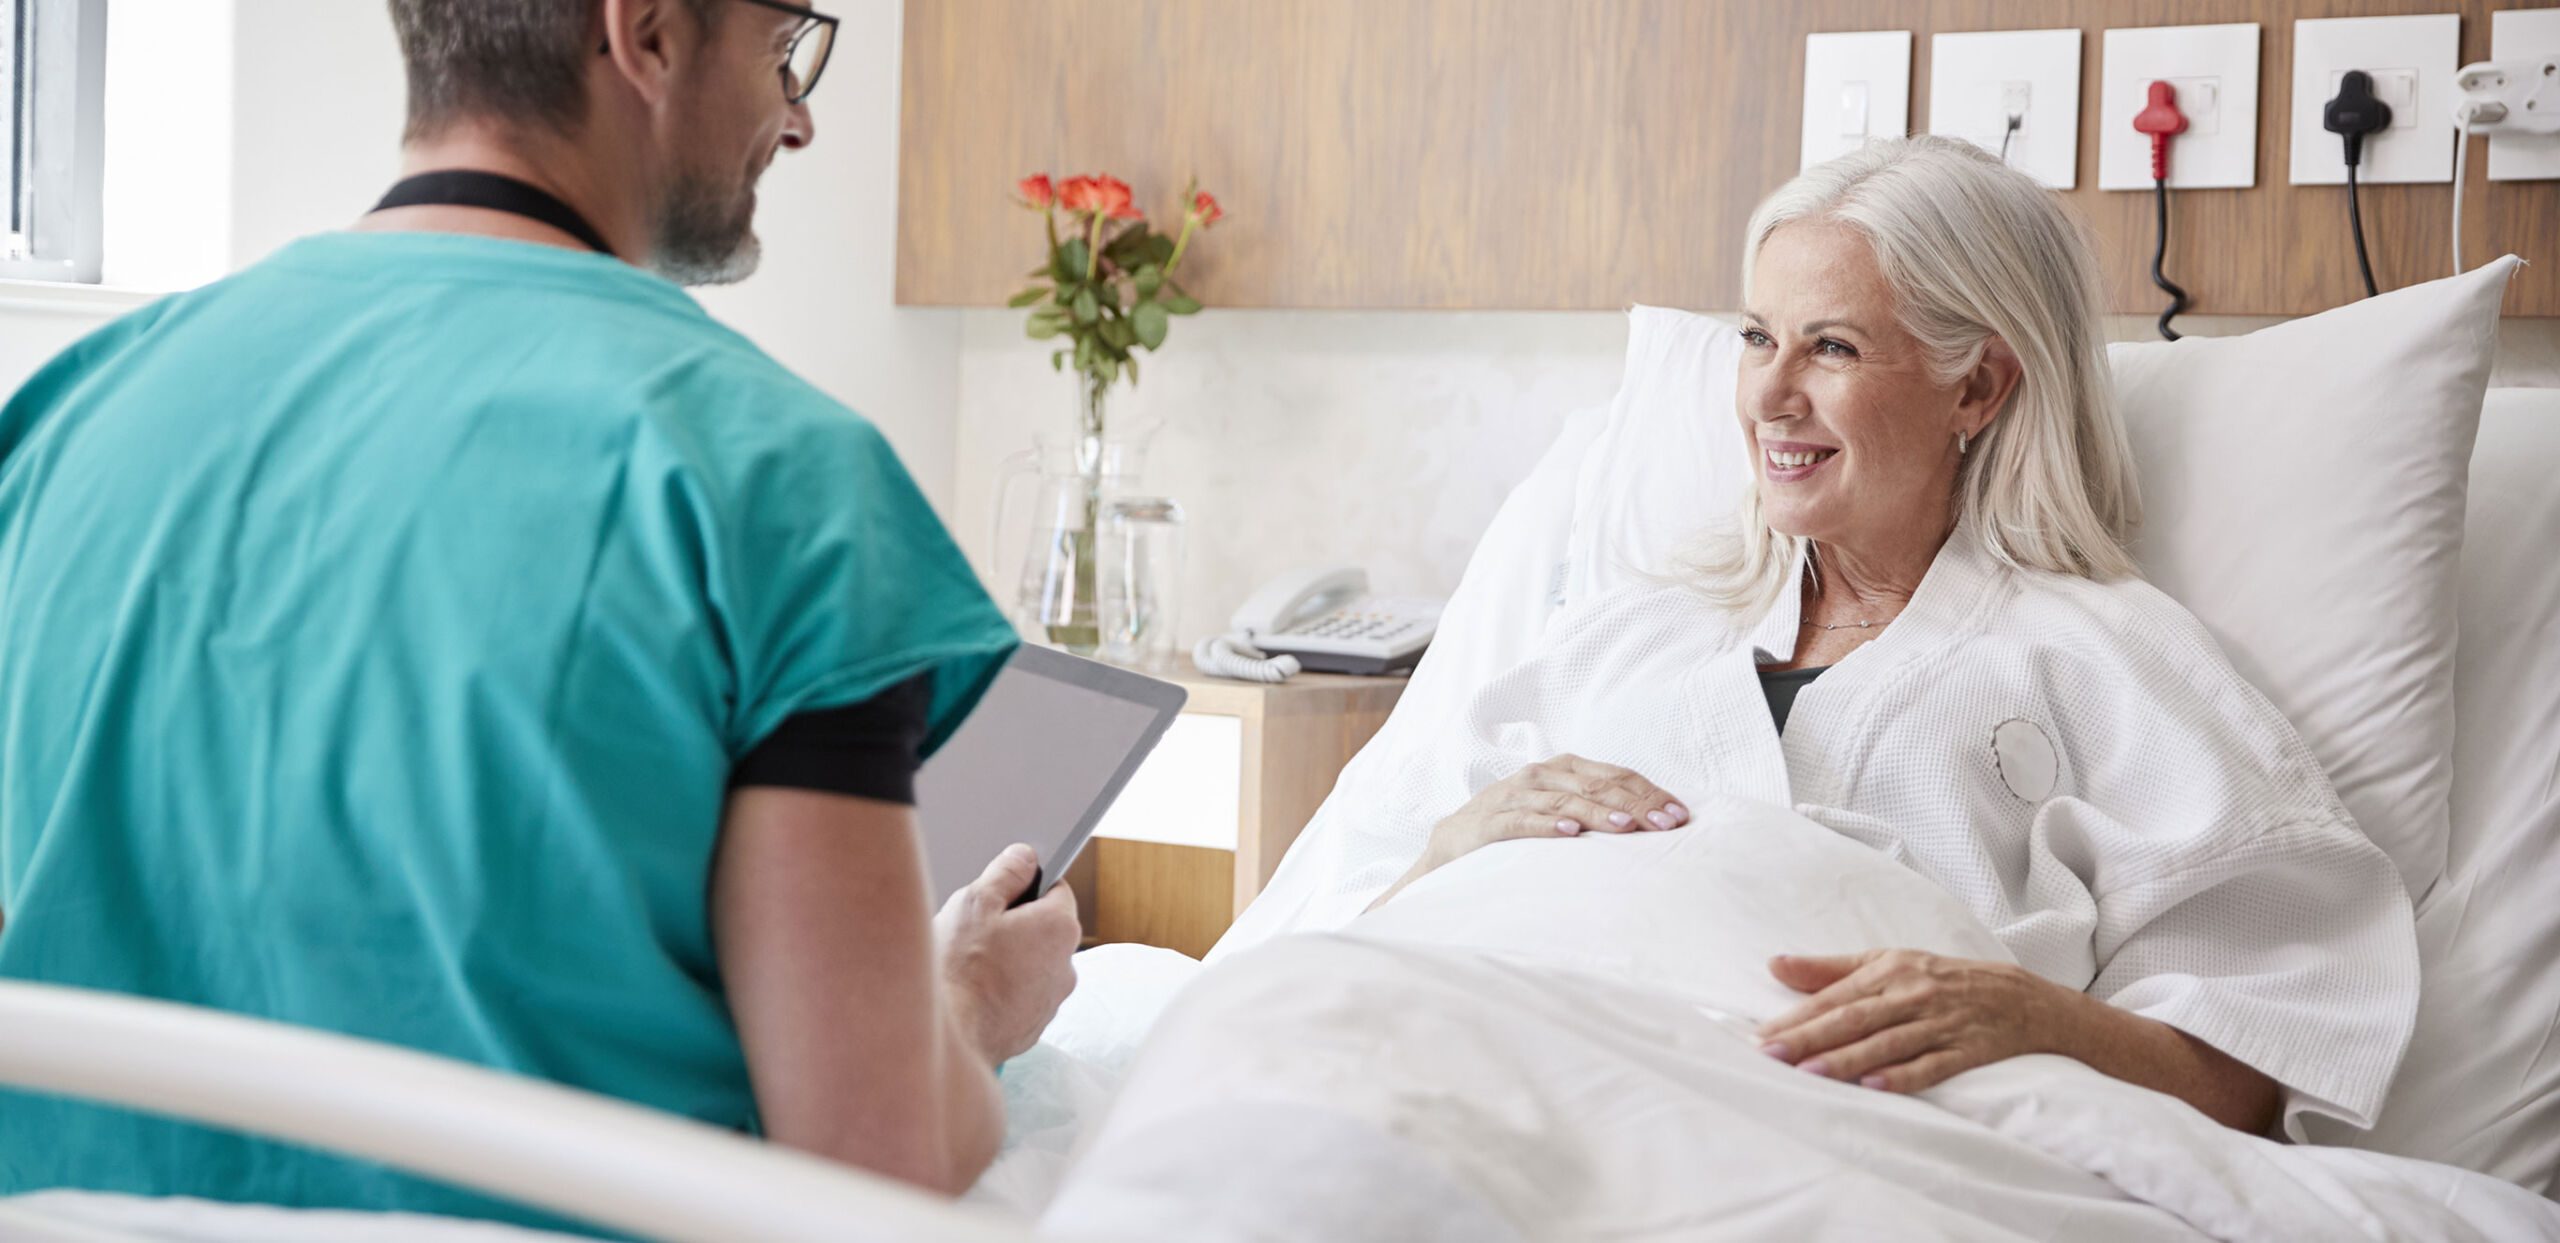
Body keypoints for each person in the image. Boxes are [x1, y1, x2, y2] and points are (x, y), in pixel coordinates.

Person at [0, 0, 1075, 1227]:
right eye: (784, 49)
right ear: (651, 34)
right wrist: (972, 996)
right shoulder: (781, 480)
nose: (801, 117)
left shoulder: (68, 417)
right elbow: (872, 1156)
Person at [1236, 135, 2418, 1140]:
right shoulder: (1621, 638)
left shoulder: (2098, 660)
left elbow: (2259, 1061)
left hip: (1828, 1149)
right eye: (1757, 338)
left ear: (1978, 388)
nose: (1769, 394)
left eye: (1832, 348)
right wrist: (1452, 850)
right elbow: (1353, 960)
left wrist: (2032, 1017)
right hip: (1484, 1101)